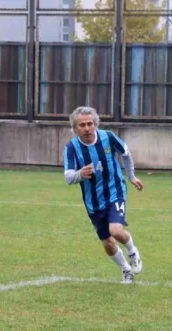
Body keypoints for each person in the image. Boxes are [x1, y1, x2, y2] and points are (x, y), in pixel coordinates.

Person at [63, 106, 145, 285]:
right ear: (75, 128)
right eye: (82, 125)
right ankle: (126, 270)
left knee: (115, 230)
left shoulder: (107, 137)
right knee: (107, 242)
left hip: (115, 190)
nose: (87, 128)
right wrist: (80, 174)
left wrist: (131, 176)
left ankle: (133, 253)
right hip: (93, 201)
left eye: (90, 124)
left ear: (95, 125)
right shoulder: (71, 148)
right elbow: (68, 177)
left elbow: (126, 153)